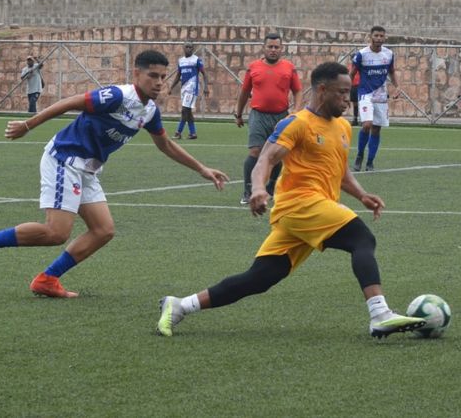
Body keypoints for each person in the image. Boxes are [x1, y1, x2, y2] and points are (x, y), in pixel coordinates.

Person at [156, 62, 425, 339]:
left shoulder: (344, 127)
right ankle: (380, 314)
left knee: (260, 278)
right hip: (299, 204)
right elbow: (266, 158)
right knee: (362, 239)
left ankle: (180, 305)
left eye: (350, 93)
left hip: (309, 211)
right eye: (342, 93)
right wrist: (258, 188)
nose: (348, 99)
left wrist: (362, 195)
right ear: (322, 90)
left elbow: (341, 173)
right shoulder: (296, 123)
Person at [0, 50, 229, 298]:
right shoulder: (119, 96)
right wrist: (28, 124)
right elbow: (70, 102)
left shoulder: (149, 111)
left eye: (162, 77)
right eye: (152, 76)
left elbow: (165, 145)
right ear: (137, 74)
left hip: (87, 169)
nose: (158, 82)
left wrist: (202, 169)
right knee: (55, 232)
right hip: (65, 157)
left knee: (103, 230)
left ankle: (47, 279)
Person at [233, 33, 303, 205]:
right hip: (258, 115)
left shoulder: (289, 67)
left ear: (281, 49)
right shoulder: (253, 67)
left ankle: (271, 187)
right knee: (255, 152)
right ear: (264, 48)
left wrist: (295, 111)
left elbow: (298, 91)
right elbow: (244, 93)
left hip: (281, 116)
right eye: (270, 47)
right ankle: (249, 191)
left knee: (277, 155)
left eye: (276, 47)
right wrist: (239, 114)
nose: (273, 50)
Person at [350, 26, 398, 172]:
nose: (379, 39)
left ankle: (370, 162)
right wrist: (345, 92)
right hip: (365, 93)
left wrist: (397, 87)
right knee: (367, 125)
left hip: (381, 95)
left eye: (381, 36)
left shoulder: (389, 54)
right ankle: (359, 155)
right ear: (370, 37)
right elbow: (351, 73)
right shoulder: (362, 55)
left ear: (384, 38)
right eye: (376, 36)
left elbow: (391, 71)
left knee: (376, 129)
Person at [169, 42, 209, 140]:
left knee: (184, 110)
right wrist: (171, 87)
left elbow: (204, 73)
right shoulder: (181, 61)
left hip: (192, 88)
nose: (188, 49)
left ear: (193, 48)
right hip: (184, 89)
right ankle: (193, 133)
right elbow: (178, 75)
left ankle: (178, 132)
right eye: (186, 47)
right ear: (183, 48)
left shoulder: (196, 60)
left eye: (190, 47)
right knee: (188, 112)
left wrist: (206, 87)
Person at [349, 62, 361, 126]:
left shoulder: (361, 66)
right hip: (353, 86)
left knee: (362, 102)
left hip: (360, 86)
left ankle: (363, 120)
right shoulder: (350, 66)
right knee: (355, 103)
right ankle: (355, 119)